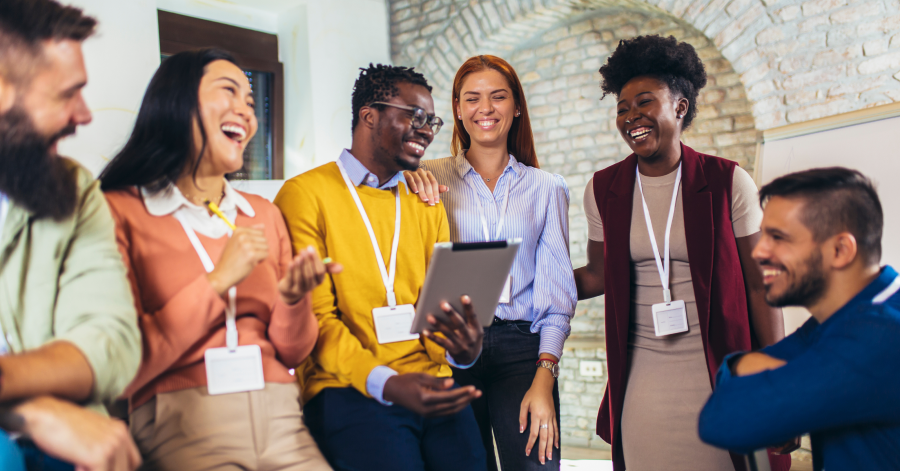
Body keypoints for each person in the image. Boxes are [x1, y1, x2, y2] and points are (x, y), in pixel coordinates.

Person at [99, 49, 334, 471]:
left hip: (281, 418)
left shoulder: (263, 213)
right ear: (177, 101)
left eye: (250, 100)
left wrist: (294, 300)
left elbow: (293, 352)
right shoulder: (117, 211)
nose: (247, 111)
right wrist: (218, 280)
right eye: (230, 91)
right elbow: (122, 365)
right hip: (182, 424)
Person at [573, 35, 791, 471]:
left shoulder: (728, 181)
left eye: (644, 102)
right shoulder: (604, 189)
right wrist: (522, 282)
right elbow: (597, 275)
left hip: (720, 371)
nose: (631, 115)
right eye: (622, 107)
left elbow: (759, 284)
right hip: (641, 383)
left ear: (680, 107)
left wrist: (780, 389)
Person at [274, 64, 487, 471]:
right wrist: (386, 382)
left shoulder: (425, 200)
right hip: (349, 387)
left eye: (432, 120)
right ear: (369, 115)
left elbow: (440, 310)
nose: (426, 129)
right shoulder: (304, 195)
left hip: (432, 381)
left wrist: (463, 352)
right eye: (414, 115)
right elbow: (316, 320)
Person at [403, 55, 576, 470]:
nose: (486, 109)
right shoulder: (426, 178)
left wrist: (544, 378)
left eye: (498, 97)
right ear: (458, 110)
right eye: (472, 98)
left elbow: (557, 295)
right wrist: (404, 174)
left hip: (522, 350)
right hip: (447, 346)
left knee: (536, 463)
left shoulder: (546, 188)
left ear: (516, 106)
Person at [0, 1, 142, 470]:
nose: (84, 115)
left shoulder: (75, 190)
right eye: (67, 94)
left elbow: (113, 341)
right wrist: (30, 412)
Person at [699, 168, 900, 471]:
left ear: (840, 250)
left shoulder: (878, 336)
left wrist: (748, 367)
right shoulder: (851, 315)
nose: (759, 252)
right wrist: (741, 366)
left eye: (778, 238)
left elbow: (720, 422)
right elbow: (734, 385)